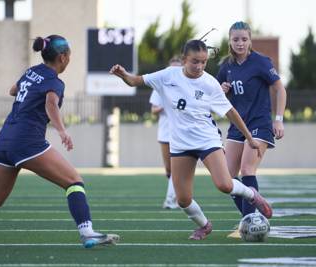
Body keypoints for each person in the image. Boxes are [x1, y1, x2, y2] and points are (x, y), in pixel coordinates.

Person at [0, 35, 119, 248]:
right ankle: (87, 232)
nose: (69, 59)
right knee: (73, 182)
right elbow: (51, 104)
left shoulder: (31, 71)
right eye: (69, 55)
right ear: (62, 57)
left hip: (4, 141)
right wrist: (62, 131)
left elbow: (13, 90)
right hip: (27, 142)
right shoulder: (54, 81)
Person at [110, 39, 273, 240]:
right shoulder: (167, 75)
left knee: (224, 184)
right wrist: (123, 75)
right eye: (195, 61)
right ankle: (204, 225)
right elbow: (136, 80)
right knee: (183, 199)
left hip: (207, 140)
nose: (199, 67)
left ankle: (252, 195)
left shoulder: (209, 82)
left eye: (204, 62)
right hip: (180, 144)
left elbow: (230, 112)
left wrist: (249, 137)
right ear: (184, 59)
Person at [216, 21, 286, 236]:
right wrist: (221, 90)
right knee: (226, 179)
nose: (240, 43)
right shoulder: (225, 66)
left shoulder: (261, 62)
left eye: (244, 39)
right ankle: (252, 215)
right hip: (237, 126)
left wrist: (278, 119)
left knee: (247, 170)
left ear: (250, 41)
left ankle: (248, 221)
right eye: (236, 39)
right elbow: (215, 98)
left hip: (259, 124)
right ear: (230, 40)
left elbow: (279, 89)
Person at [149, 56, 182, 209]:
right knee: (169, 170)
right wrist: (166, 105)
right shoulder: (160, 86)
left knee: (178, 168)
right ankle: (175, 196)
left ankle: (172, 199)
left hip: (181, 132)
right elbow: (153, 109)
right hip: (164, 133)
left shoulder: (185, 85)